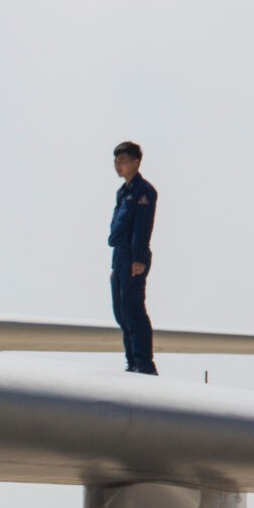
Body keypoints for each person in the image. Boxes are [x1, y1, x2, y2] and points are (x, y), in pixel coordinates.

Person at [108, 141, 158, 375]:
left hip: (133, 256)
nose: (118, 165)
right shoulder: (123, 192)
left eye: (123, 161)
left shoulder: (144, 192)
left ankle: (143, 363)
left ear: (136, 162)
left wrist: (138, 259)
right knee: (120, 312)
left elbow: (142, 228)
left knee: (133, 309)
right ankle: (132, 362)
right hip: (119, 256)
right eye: (116, 161)